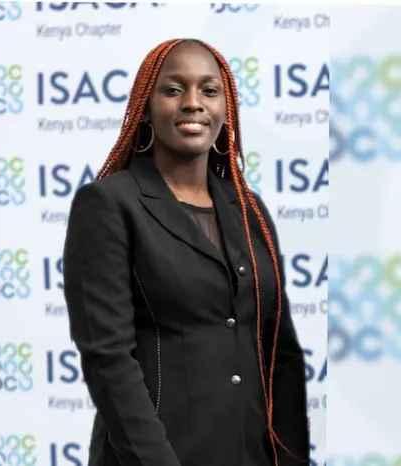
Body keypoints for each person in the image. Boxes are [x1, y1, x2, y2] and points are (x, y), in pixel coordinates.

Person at [62, 38, 309, 466]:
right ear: (145, 105)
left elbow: (279, 351)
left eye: (209, 91)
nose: (193, 103)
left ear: (226, 109)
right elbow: (108, 360)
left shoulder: (249, 210)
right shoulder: (108, 204)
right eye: (174, 90)